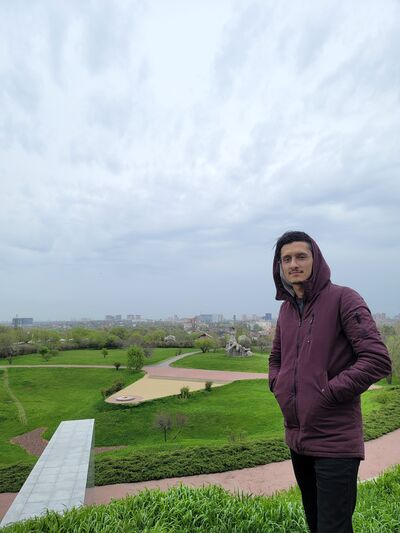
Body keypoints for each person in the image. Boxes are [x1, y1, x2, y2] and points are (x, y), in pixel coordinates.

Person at [268, 231, 392, 533]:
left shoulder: (344, 299)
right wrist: (277, 385)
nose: (294, 264)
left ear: (316, 260)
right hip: (298, 440)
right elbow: (276, 358)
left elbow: (377, 359)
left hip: (335, 442)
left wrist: (327, 393)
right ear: (280, 266)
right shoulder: (286, 310)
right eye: (287, 259)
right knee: (315, 523)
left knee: (333, 528)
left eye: (301, 256)